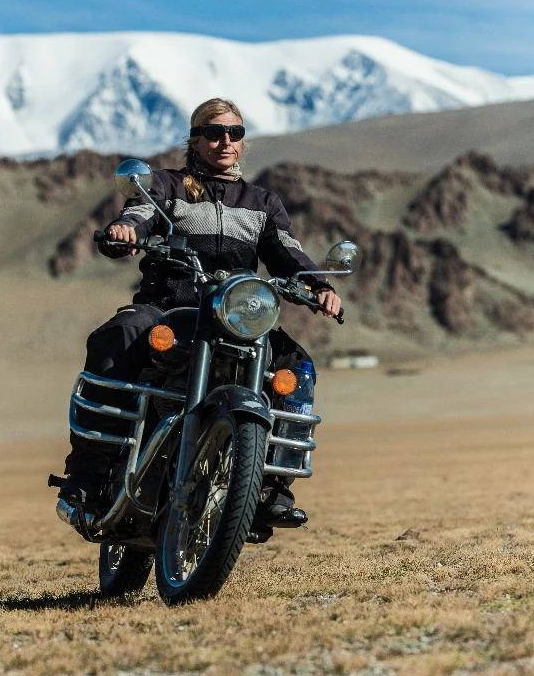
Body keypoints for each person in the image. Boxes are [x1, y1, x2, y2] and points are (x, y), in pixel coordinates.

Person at [61, 97, 342, 531]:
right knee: (118, 335)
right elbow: (139, 214)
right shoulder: (166, 186)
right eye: (213, 133)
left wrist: (318, 285)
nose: (225, 141)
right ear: (194, 140)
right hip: (170, 308)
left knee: (295, 365)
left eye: (234, 133)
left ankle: (270, 488)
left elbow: (287, 252)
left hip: (234, 319)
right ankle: (87, 475)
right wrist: (126, 231)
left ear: (243, 141)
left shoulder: (262, 202)